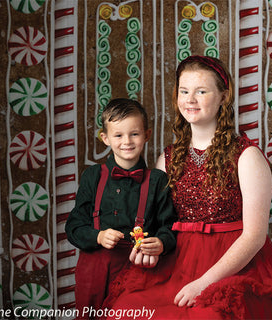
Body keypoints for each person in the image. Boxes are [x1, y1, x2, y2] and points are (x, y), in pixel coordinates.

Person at [105, 56, 272, 319]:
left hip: (230, 267)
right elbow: (157, 221)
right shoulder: (168, 158)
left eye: (201, 91)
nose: (190, 99)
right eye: (184, 91)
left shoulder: (247, 156)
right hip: (177, 264)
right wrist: (150, 246)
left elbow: (255, 236)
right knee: (126, 310)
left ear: (223, 96)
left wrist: (203, 283)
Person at [65, 98, 177, 319]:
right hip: (93, 270)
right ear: (105, 138)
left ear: (147, 134)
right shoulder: (93, 176)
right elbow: (74, 227)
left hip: (137, 269)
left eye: (134, 134)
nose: (127, 141)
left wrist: (161, 243)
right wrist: (98, 237)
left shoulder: (157, 180)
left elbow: (170, 227)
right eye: (118, 135)